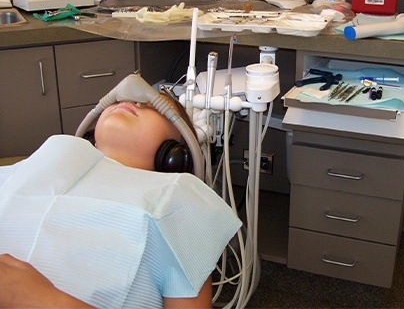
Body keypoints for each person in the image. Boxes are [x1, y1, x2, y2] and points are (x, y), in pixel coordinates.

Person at [0, 90, 241, 308]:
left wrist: (44, 300)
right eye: (122, 99)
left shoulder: (178, 199)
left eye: (153, 106)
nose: (133, 100)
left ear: (172, 156)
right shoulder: (50, 155)